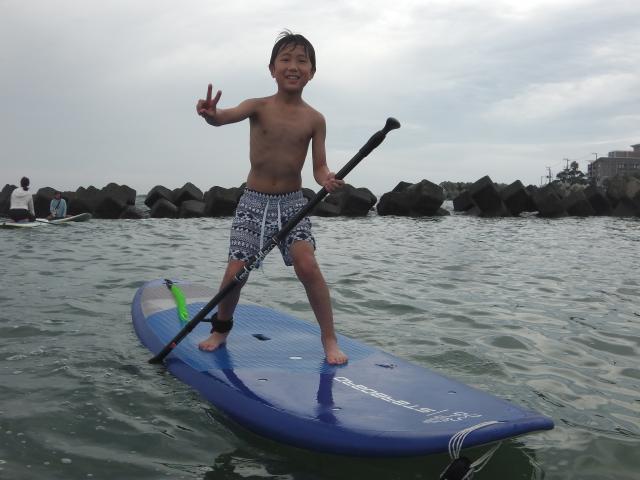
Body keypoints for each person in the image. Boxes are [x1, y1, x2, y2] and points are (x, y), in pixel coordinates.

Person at [195, 30, 348, 365]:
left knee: (308, 266)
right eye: (286, 59)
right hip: (253, 202)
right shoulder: (257, 106)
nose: (293, 66)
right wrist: (211, 114)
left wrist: (327, 178)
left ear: (312, 72)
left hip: (293, 203)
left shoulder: (315, 119)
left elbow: (318, 167)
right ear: (272, 69)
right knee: (236, 271)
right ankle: (221, 329)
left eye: (302, 61)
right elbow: (223, 117)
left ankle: (329, 338)